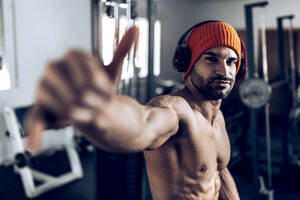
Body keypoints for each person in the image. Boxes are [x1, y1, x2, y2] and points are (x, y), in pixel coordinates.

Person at [26, 20, 246, 200]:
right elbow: (143, 125)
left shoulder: (218, 119)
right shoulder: (176, 111)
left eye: (231, 61)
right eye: (211, 59)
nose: (223, 70)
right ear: (188, 64)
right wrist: (98, 112)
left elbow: (220, 172)